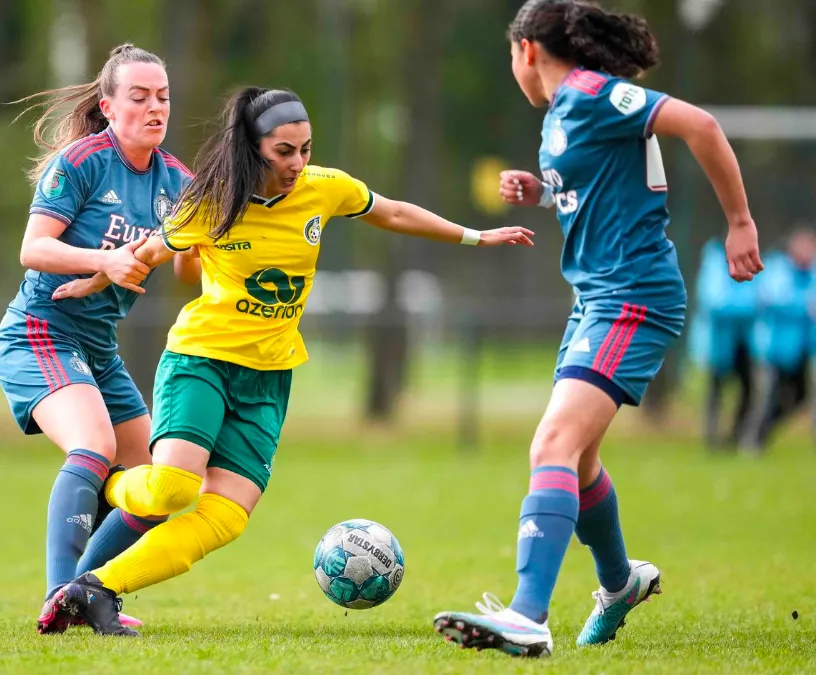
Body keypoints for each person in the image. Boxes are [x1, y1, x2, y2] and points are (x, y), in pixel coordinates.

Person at [43, 86, 535, 636]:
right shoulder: (210, 203)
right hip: (201, 361)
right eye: (284, 151)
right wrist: (93, 278)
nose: (298, 163)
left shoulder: (326, 187)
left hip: (270, 377)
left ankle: (96, 587)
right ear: (252, 149)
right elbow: (147, 253)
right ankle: (113, 484)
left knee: (226, 517)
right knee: (172, 491)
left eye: (305, 149)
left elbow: (393, 212)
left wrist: (477, 236)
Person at [431, 0, 763, 658]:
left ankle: (528, 615)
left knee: (551, 443)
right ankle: (619, 582)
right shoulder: (564, 112)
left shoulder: (591, 92)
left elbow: (699, 124)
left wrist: (740, 222)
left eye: (510, 57)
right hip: (598, 300)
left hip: (631, 297)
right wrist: (543, 191)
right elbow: (606, 187)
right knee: (578, 460)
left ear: (528, 50)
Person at [0, 43, 193, 634]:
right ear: (108, 106)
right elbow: (33, 249)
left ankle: (85, 593)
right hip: (40, 331)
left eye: (163, 97)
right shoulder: (82, 161)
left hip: (98, 348)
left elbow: (186, 267)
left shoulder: (177, 181)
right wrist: (103, 261)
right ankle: (59, 593)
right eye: (139, 97)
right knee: (94, 446)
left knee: (156, 483)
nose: (155, 108)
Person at [740, 229, 816, 453]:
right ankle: (750, 442)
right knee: (767, 398)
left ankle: (763, 433)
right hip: (772, 349)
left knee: (800, 395)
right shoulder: (777, 269)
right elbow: (771, 299)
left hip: (801, 349)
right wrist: (804, 306)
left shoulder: (811, 274)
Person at [688, 238, 756, 450]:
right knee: (716, 390)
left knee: (747, 388)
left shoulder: (748, 259)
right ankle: (711, 438)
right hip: (719, 342)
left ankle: (736, 436)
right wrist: (747, 307)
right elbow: (715, 302)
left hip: (743, 341)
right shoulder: (715, 262)